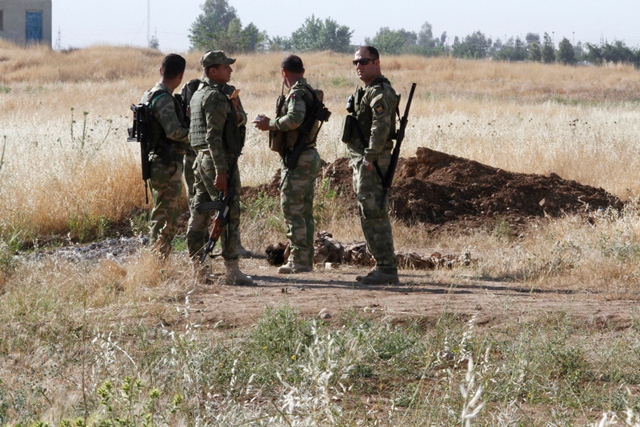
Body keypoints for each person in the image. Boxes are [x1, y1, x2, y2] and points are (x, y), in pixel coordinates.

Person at [186, 50, 253, 285]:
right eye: (226, 67)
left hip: (201, 160)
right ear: (213, 71)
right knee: (227, 211)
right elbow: (214, 137)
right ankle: (232, 270)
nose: (230, 70)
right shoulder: (214, 96)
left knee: (199, 211)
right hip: (218, 159)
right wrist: (221, 172)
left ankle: (197, 267)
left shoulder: (198, 94)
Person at [253, 55, 323, 274]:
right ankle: (305, 259)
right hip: (308, 155)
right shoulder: (308, 90)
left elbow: (295, 119)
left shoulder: (296, 93)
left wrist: (269, 124)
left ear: (284, 72)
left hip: (298, 157)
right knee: (304, 211)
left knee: (292, 210)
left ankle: (299, 260)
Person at [341, 46, 400, 285]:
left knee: (374, 212)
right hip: (364, 159)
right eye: (355, 62)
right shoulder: (366, 91)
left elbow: (381, 126)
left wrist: (370, 155)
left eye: (364, 62)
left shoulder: (380, 92)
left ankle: (386, 269)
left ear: (376, 63)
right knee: (368, 212)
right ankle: (382, 266)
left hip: (372, 161)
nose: (359, 66)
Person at [140, 53, 189, 258]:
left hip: (157, 161)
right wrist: (196, 135)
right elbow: (174, 132)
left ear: (161, 70)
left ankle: (159, 258)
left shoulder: (149, 94)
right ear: (181, 76)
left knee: (163, 213)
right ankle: (158, 260)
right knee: (165, 216)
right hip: (166, 163)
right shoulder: (164, 99)